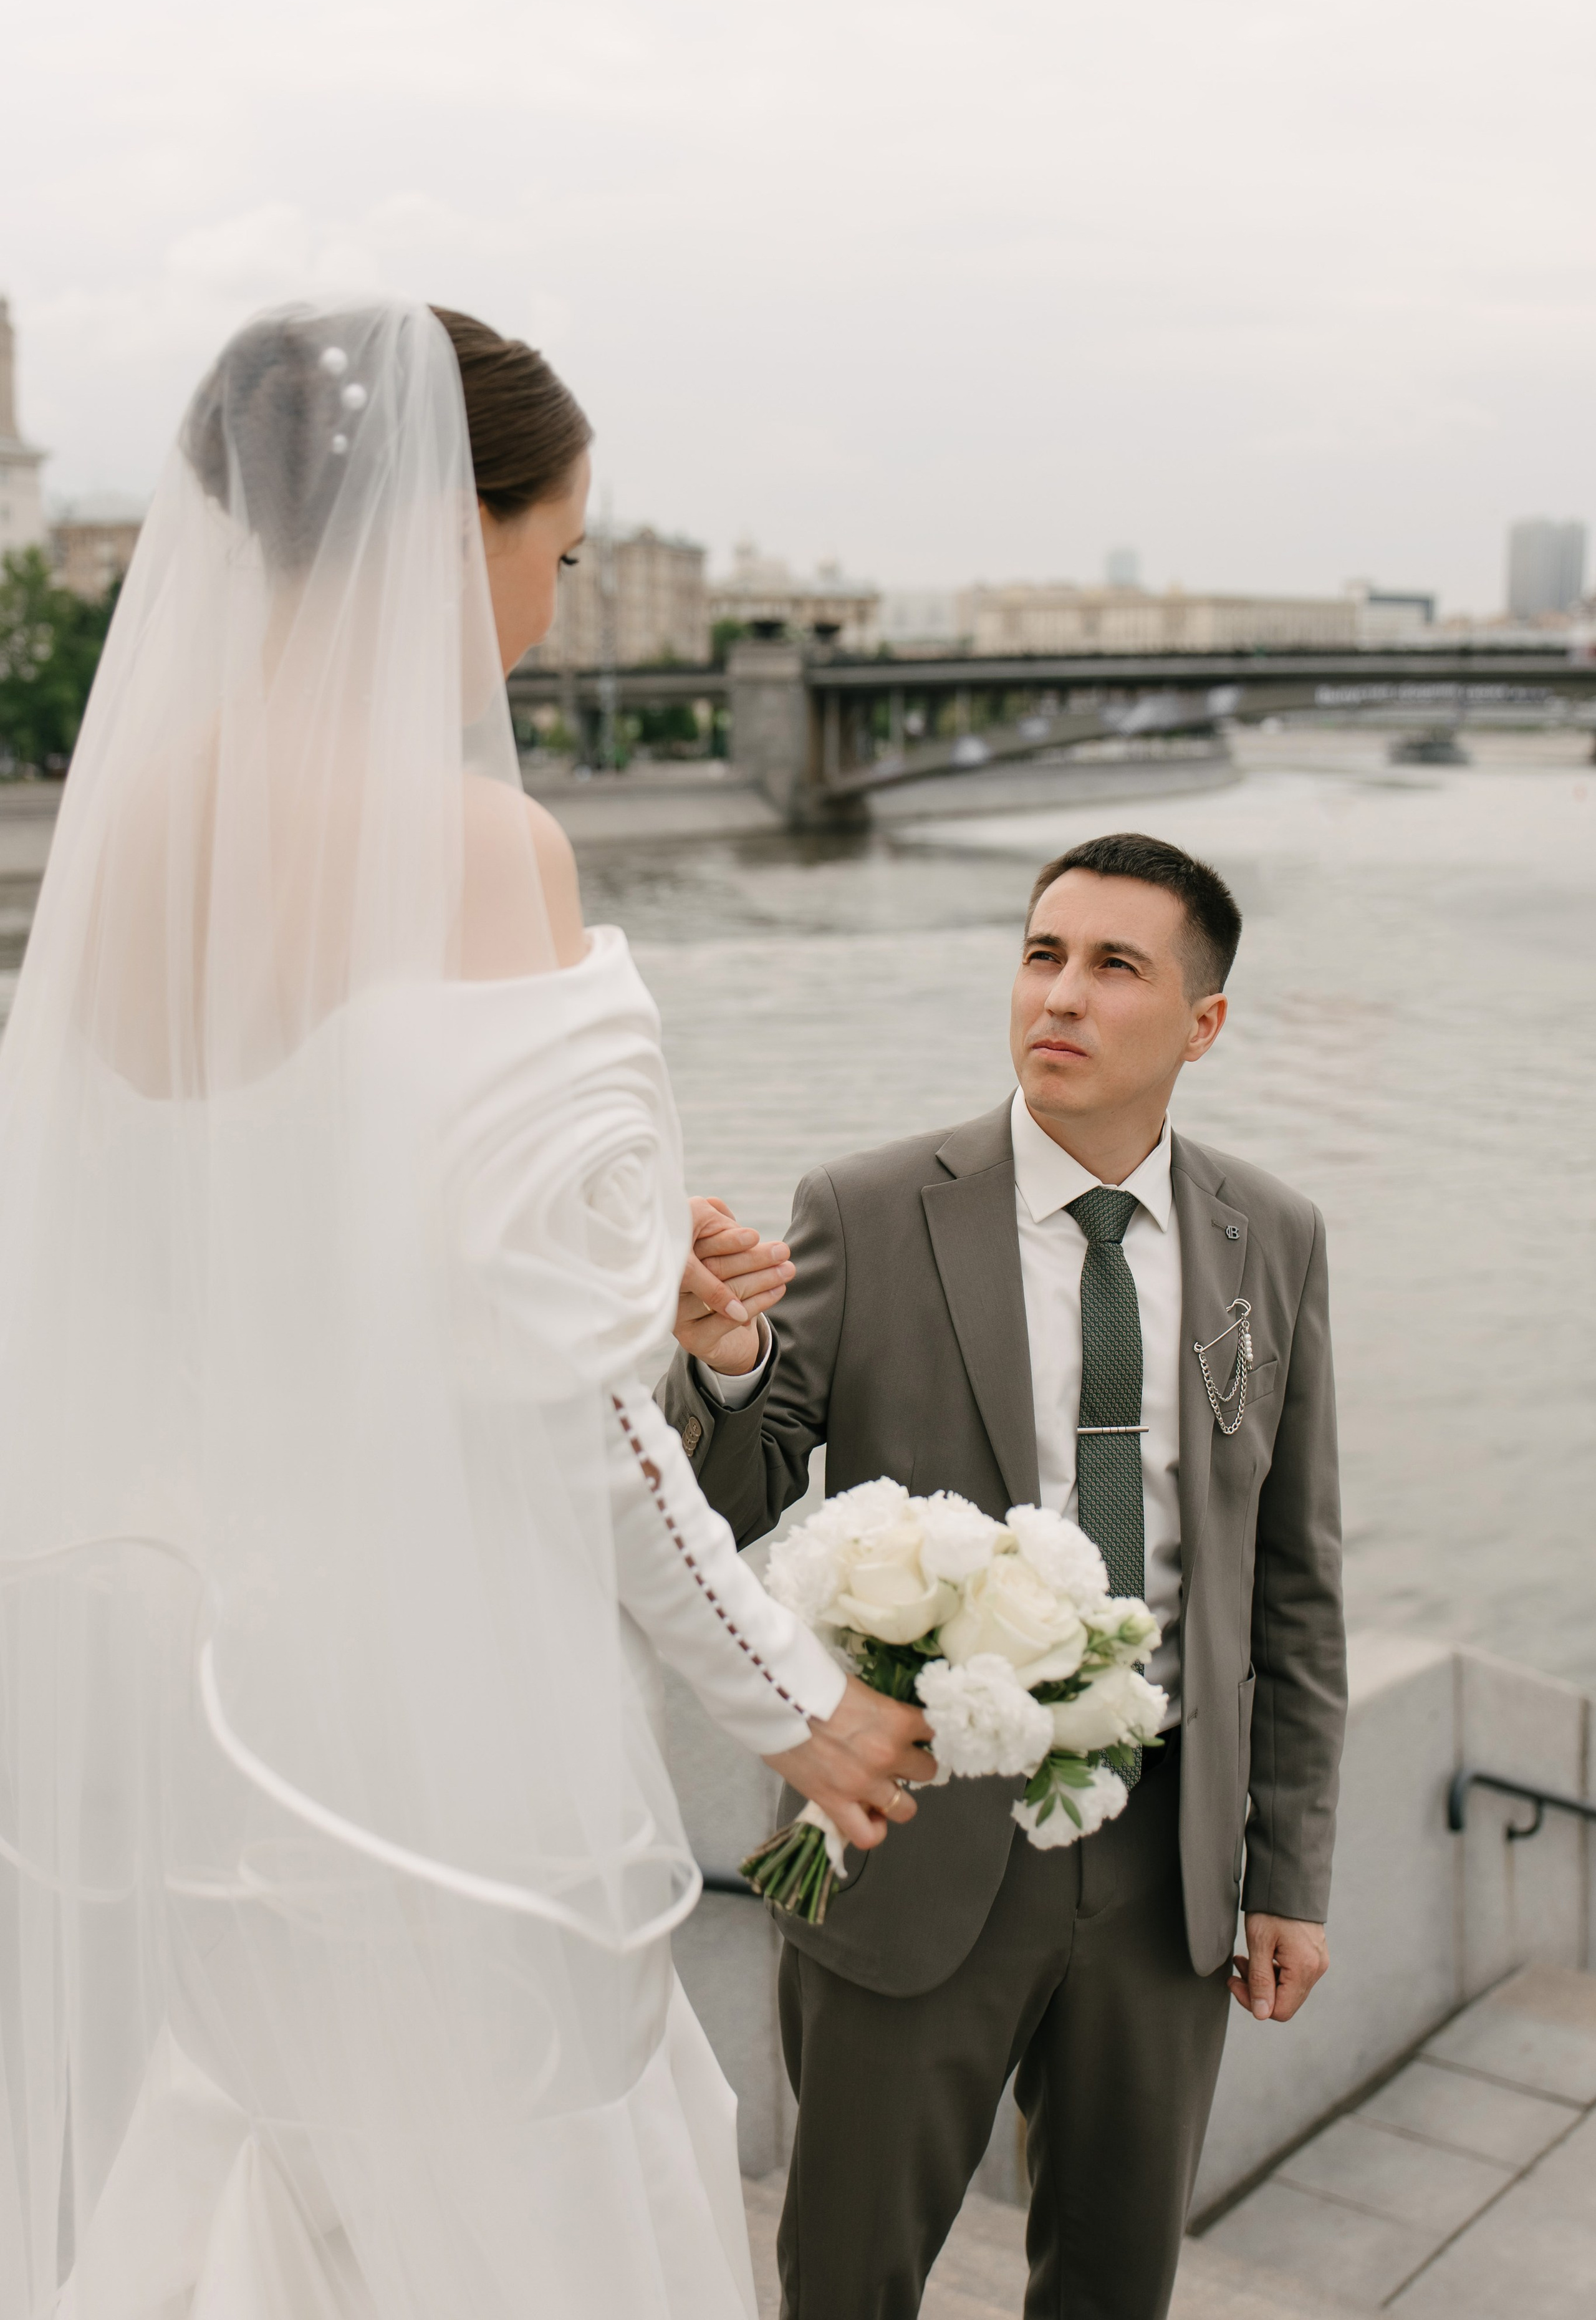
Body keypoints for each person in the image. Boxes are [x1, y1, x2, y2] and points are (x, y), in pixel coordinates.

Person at [0, 298, 933, 2320]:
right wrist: (791, 1700)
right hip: (444, 1733)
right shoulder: (476, 849)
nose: (554, 595)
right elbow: (572, 1418)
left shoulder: (133, 848)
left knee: (283, 2170)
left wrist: (569, 1267)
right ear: (450, 533)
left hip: (219, 1711)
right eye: (561, 546)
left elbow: (257, 1275)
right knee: (523, 2203)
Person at [665, 833, 1347, 2320]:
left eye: (1115, 967)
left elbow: (1293, 1583)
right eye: (1042, 955)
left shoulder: (1271, 1239)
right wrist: (723, 1363)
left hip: (1167, 1864)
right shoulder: (868, 1203)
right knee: (847, 2276)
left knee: (1114, 2283)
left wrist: (1283, 1868)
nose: (1062, 996)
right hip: (911, 1830)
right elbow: (744, 1484)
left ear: (1203, 1024)